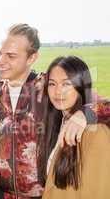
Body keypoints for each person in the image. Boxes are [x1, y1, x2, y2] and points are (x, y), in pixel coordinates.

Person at [0, 23, 110, 199]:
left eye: (11, 56)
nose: (0, 61)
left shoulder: (51, 86)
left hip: (43, 194)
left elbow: (104, 104)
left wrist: (85, 113)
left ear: (32, 58)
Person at [38, 56, 110, 198]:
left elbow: (99, 191)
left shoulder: (96, 133)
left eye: (66, 84)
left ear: (81, 86)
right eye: (52, 84)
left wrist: (87, 112)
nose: (58, 91)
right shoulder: (56, 124)